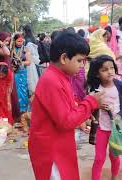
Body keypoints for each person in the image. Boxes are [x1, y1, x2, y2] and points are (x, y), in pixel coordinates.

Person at [28, 31, 104, 180]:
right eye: (79, 60)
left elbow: (67, 107)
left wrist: (81, 117)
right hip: (50, 149)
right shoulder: (51, 80)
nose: (82, 65)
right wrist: (91, 102)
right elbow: (66, 121)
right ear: (64, 58)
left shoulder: (60, 76)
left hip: (58, 143)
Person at [87, 55, 122, 180]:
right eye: (104, 70)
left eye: (111, 68)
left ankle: (114, 177)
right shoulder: (95, 88)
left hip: (116, 129)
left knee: (114, 156)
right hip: (101, 128)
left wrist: (121, 115)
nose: (109, 71)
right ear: (97, 74)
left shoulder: (121, 85)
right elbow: (89, 104)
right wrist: (97, 106)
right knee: (99, 158)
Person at [11, 33, 32, 112]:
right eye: (18, 41)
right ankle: (15, 109)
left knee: (23, 90)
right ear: (14, 41)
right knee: (14, 90)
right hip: (13, 72)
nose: (20, 43)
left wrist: (21, 63)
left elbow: (29, 62)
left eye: (21, 41)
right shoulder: (11, 49)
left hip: (22, 73)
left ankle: (23, 109)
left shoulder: (25, 49)